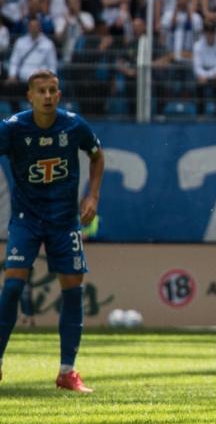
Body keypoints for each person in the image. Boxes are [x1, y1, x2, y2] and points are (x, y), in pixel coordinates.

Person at [0, 68, 105, 393]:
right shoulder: (13, 129)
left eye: (52, 91)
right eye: (41, 91)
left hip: (63, 221)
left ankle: (67, 372)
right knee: (13, 285)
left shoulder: (74, 125)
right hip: (26, 219)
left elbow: (97, 155)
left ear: (59, 95)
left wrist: (93, 194)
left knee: (73, 289)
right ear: (29, 96)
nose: (47, 96)